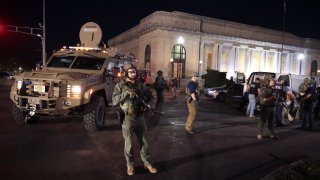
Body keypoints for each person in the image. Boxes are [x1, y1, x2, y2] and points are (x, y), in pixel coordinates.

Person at [112, 63, 157, 176]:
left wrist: (150, 104)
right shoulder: (120, 85)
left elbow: (150, 96)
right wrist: (126, 94)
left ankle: (147, 163)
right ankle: (130, 165)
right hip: (127, 118)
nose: (133, 73)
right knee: (129, 143)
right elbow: (114, 100)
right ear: (126, 73)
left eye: (134, 71)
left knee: (144, 141)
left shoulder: (140, 85)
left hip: (140, 117)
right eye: (131, 72)